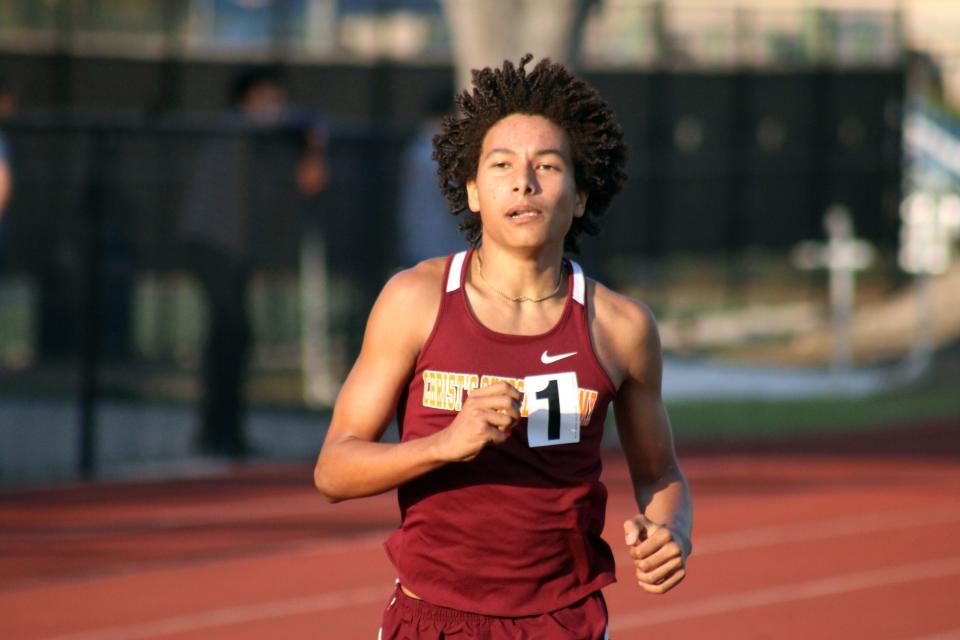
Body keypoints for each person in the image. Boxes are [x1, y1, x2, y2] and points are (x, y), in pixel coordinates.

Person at [314, 55, 691, 638]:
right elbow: (334, 469)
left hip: (564, 621)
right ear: (471, 190)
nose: (524, 182)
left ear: (582, 194)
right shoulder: (414, 299)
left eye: (547, 165)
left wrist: (670, 531)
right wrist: (444, 444)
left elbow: (661, 472)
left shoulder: (621, 327)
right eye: (502, 164)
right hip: (431, 619)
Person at [180, 67, 327, 456]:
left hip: (236, 250)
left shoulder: (273, 140)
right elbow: (294, 124)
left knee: (233, 337)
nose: (276, 106)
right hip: (211, 246)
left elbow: (309, 169)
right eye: (267, 97)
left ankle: (225, 432)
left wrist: (310, 145)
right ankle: (217, 432)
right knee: (230, 332)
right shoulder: (237, 129)